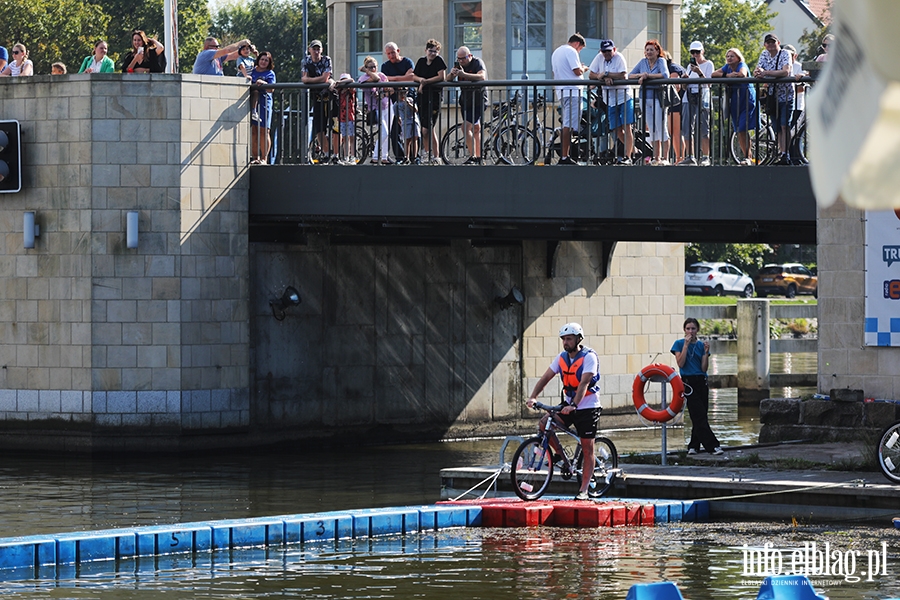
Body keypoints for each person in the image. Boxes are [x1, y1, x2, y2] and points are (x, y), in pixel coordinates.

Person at [526, 323, 603, 501]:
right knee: (545, 423)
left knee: (587, 448)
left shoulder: (589, 357)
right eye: (563, 339)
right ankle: (561, 455)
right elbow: (546, 377)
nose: (565, 342)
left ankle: (584, 489)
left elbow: (583, 384)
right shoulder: (562, 358)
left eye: (569, 339)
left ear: (578, 339)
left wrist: (575, 405)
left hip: (587, 407)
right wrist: (533, 397)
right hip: (568, 404)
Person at [671, 318, 723, 456]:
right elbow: (680, 364)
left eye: (693, 329)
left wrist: (706, 353)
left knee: (700, 415)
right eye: (688, 328)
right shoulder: (679, 344)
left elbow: (704, 368)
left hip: (701, 380)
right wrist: (686, 346)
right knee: (698, 414)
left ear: (697, 330)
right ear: (684, 330)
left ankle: (693, 446)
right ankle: (712, 446)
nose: (690, 331)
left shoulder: (701, 345)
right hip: (688, 382)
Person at [589, 39, 634, 165]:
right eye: (604, 51)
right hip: (610, 99)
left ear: (614, 49)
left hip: (624, 97)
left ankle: (628, 156)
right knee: (615, 129)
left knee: (627, 126)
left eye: (609, 51)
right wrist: (602, 76)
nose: (607, 53)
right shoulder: (599, 58)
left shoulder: (619, 58)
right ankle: (634, 149)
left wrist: (607, 73)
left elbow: (623, 75)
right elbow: (591, 74)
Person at [753, 33, 793, 165]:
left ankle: (785, 154)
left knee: (784, 125)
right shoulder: (764, 55)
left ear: (778, 42)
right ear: (765, 45)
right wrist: (758, 73)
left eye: (773, 42)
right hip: (772, 95)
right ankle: (781, 153)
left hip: (786, 95)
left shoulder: (785, 54)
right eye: (768, 42)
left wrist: (766, 73)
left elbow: (785, 71)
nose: (770, 45)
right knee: (777, 127)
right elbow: (758, 69)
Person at [712, 48, 756, 166]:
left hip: (746, 100)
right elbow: (713, 74)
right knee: (738, 130)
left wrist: (731, 77)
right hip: (734, 102)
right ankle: (747, 157)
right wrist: (727, 75)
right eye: (728, 56)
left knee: (742, 128)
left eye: (732, 56)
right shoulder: (727, 67)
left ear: (738, 57)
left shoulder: (742, 64)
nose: (729, 58)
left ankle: (748, 157)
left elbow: (742, 74)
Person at [628, 40, 669, 165]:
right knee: (652, 128)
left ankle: (665, 158)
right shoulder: (642, 62)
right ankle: (656, 158)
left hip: (658, 97)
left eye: (652, 49)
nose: (649, 52)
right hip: (644, 97)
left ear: (657, 51)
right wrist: (642, 74)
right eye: (647, 50)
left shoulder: (661, 61)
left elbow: (665, 75)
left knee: (661, 127)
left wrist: (648, 76)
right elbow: (630, 75)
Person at [446, 46, 486, 164]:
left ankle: (472, 156)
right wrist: (452, 74)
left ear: (470, 56)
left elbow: (482, 76)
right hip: (465, 101)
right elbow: (447, 79)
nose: (461, 61)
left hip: (478, 100)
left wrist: (464, 74)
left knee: (465, 127)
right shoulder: (459, 65)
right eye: (459, 59)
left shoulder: (477, 62)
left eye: (463, 58)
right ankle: (479, 157)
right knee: (475, 129)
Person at [551, 34, 588, 165]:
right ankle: (565, 157)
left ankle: (565, 154)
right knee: (569, 125)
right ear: (577, 44)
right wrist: (584, 68)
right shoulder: (571, 51)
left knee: (568, 123)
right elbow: (577, 71)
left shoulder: (556, 52)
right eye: (581, 49)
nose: (579, 51)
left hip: (562, 92)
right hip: (573, 92)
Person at [301, 40, 336, 163]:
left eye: (318, 49)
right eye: (314, 49)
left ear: (321, 50)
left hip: (331, 96)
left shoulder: (326, 59)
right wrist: (320, 80)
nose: (316, 51)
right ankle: (326, 153)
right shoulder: (306, 60)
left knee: (335, 126)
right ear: (309, 50)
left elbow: (325, 77)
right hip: (317, 97)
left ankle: (336, 154)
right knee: (319, 127)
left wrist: (312, 80)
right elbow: (304, 79)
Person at [413, 39, 447, 164]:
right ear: (425, 50)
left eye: (435, 51)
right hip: (422, 97)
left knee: (428, 127)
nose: (432, 54)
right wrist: (421, 79)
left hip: (434, 97)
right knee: (426, 128)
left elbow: (441, 76)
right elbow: (414, 76)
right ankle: (429, 154)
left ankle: (435, 156)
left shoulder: (439, 61)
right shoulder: (421, 61)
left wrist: (425, 82)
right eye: (430, 51)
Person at [680, 41, 713, 166]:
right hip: (688, 97)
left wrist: (699, 72)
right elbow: (683, 87)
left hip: (702, 96)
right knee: (687, 128)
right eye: (692, 52)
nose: (695, 55)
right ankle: (690, 156)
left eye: (697, 52)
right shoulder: (689, 66)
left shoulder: (708, 64)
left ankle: (705, 156)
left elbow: (708, 84)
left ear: (702, 52)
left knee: (704, 127)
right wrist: (684, 80)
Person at [381, 43, 415, 161]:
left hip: (408, 98)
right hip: (393, 100)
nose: (391, 55)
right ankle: (400, 157)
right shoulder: (385, 66)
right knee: (394, 130)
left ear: (398, 51)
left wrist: (393, 79)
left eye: (393, 52)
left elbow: (411, 77)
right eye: (388, 53)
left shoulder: (407, 62)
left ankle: (414, 157)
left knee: (412, 129)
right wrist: (401, 78)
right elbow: (384, 80)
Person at [359, 56, 392, 164]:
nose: (373, 69)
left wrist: (384, 94)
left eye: (375, 67)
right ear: (366, 68)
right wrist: (367, 72)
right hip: (375, 109)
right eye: (370, 67)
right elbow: (376, 79)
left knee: (388, 133)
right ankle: (375, 156)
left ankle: (384, 157)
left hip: (387, 105)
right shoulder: (363, 78)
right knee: (384, 133)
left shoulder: (382, 75)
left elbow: (390, 90)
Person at [250, 52, 275, 165]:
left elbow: (271, 89)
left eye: (266, 60)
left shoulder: (270, 73)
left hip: (265, 103)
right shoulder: (252, 71)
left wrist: (263, 83)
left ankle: (264, 158)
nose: (263, 62)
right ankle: (255, 157)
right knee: (254, 131)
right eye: (262, 59)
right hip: (252, 104)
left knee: (264, 131)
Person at [662, 50, 685, 165]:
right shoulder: (671, 67)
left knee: (676, 131)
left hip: (677, 103)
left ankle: (680, 158)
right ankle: (679, 157)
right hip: (673, 103)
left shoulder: (673, 68)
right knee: (673, 131)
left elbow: (676, 86)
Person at [336, 73, 358, 164]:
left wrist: (343, 82)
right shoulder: (339, 91)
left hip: (350, 116)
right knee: (345, 138)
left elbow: (352, 81)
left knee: (351, 137)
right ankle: (346, 156)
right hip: (342, 117)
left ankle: (353, 156)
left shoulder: (351, 90)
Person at [396, 87, 420, 164]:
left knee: (414, 139)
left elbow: (416, 109)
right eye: (401, 94)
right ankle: (406, 157)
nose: (402, 95)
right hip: (405, 122)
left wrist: (409, 104)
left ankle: (415, 157)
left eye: (404, 93)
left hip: (413, 120)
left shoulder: (410, 100)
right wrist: (400, 122)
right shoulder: (396, 104)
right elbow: (397, 116)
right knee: (407, 140)